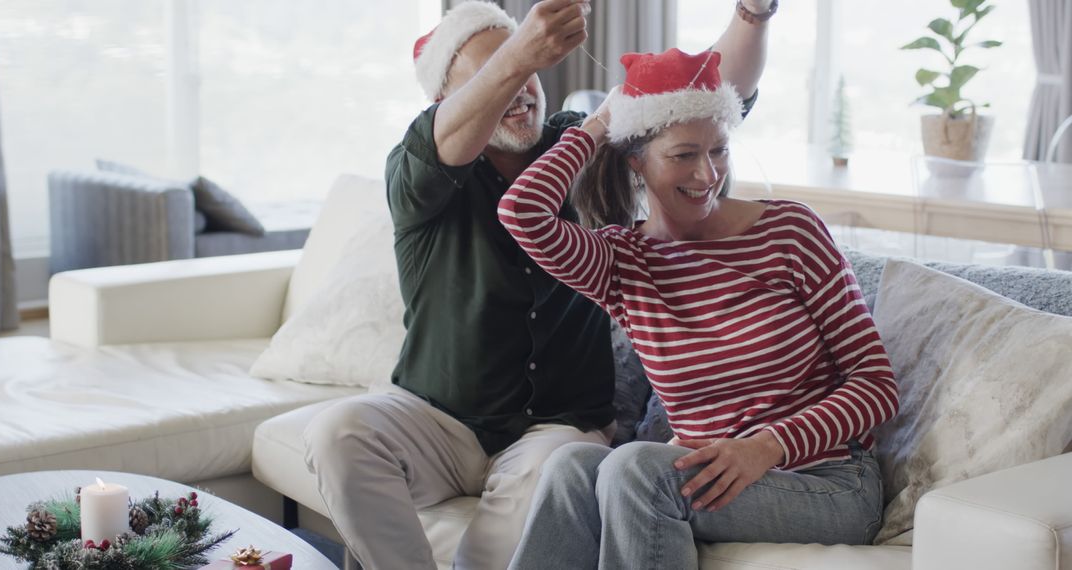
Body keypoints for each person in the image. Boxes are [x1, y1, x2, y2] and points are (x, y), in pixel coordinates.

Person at [302, 2, 773, 568]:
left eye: (529, 70)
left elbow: (706, 93)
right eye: (493, 72)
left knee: (559, 466)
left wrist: (753, 13)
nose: (522, 86)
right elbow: (447, 141)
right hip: (436, 419)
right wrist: (521, 49)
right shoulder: (418, 168)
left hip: (558, 428)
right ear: (443, 101)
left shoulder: (584, 149)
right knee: (337, 430)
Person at [499, 47, 899, 569]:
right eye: (684, 154)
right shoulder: (623, 261)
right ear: (636, 161)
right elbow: (521, 211)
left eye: (719, 150)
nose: (708, 174)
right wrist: (599, 124)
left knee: (636, 469)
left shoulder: (789, 233)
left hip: (827, 480)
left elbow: (876, 385)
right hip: (708, 474)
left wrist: (766, 447)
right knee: (571, 464)